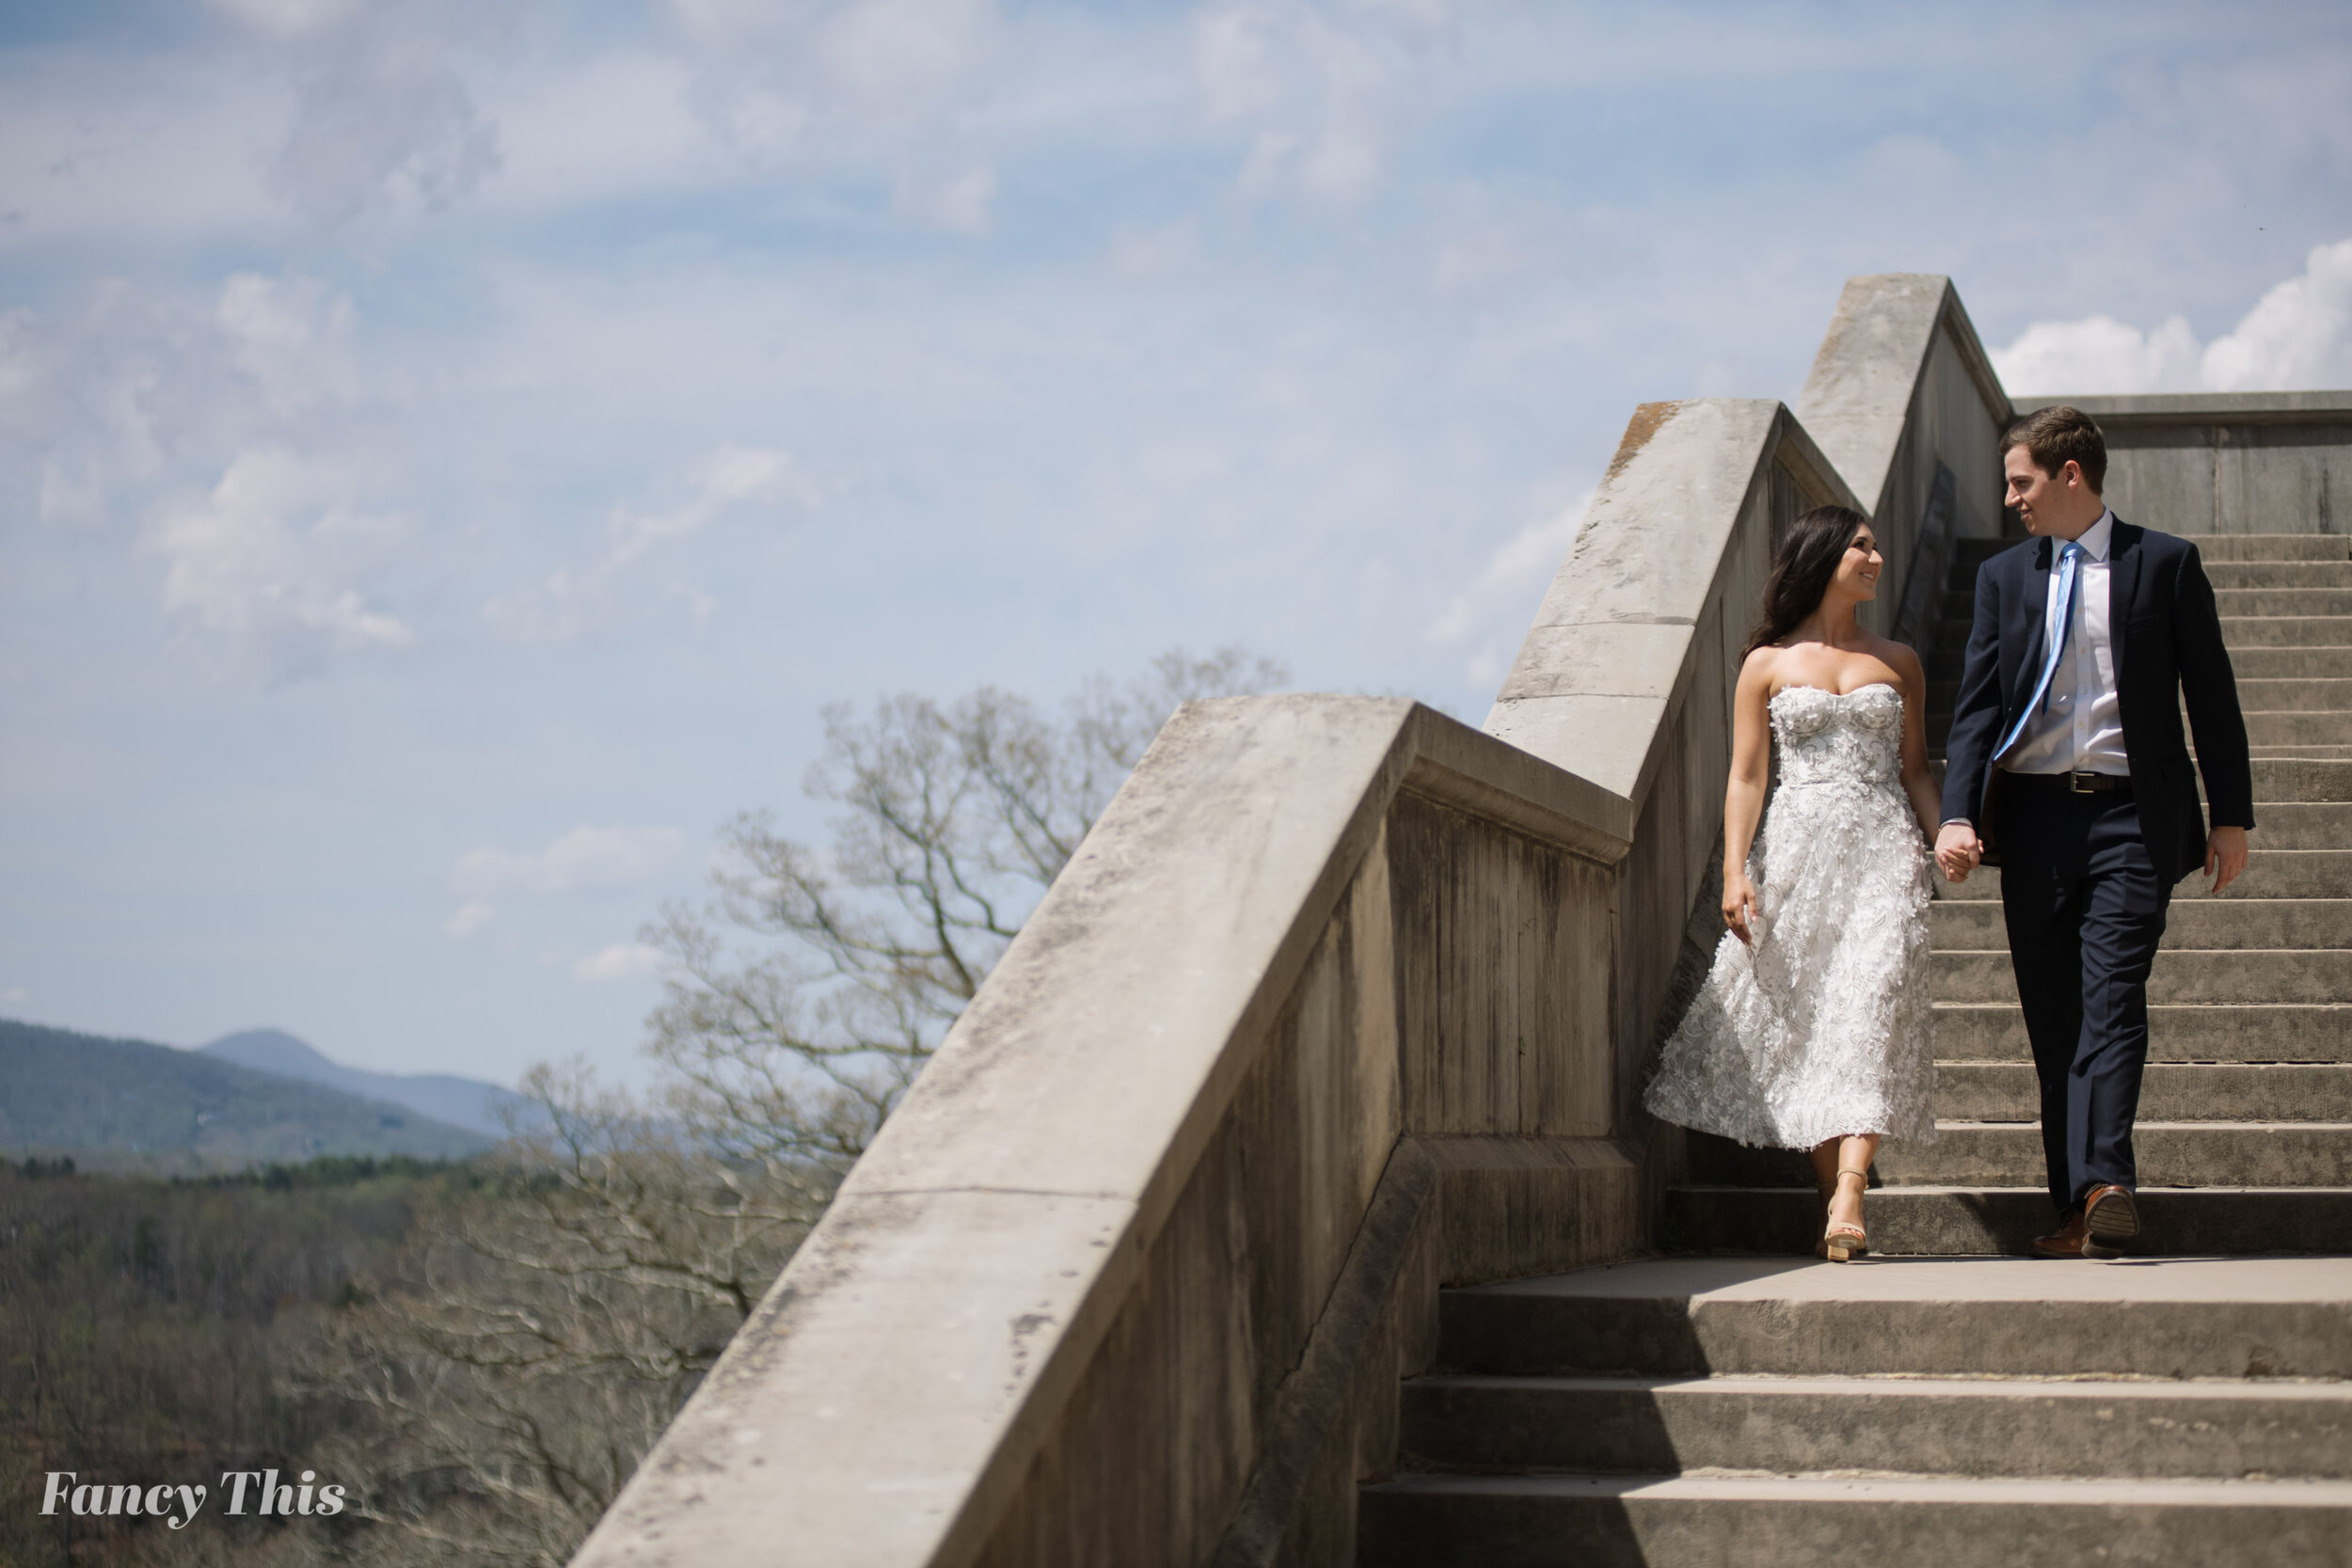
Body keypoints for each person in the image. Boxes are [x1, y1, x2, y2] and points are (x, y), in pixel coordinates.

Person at [1937, 405, 2252, 1259]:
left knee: (2111, 996)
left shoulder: (2167, 565)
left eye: (2021, 481)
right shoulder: (2006, 577)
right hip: (2035, 819)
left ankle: (2108, 1179)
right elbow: (1976, 708)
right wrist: (1957, 811)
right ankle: (2076, 1207)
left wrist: (2230, 815)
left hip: (2131, 818)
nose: (2011, 499)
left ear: (2070, 474)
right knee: (2054, 1017)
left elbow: (2211, 698)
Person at [1645, 504, 1947, 1262]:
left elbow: (1914, 769)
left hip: (1885, 853)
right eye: (1861, 546)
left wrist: (1944, 832)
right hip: (1796, 858)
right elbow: (1747, 776)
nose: (1876, 557)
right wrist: (1734, 869)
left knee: (1871, 1005)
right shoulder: (1766, 664)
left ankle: (1850, 1185)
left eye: (1878, 545)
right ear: (1821, 558)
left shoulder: (1902, 661)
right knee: (1815, 1023)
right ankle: (1834, 1198)